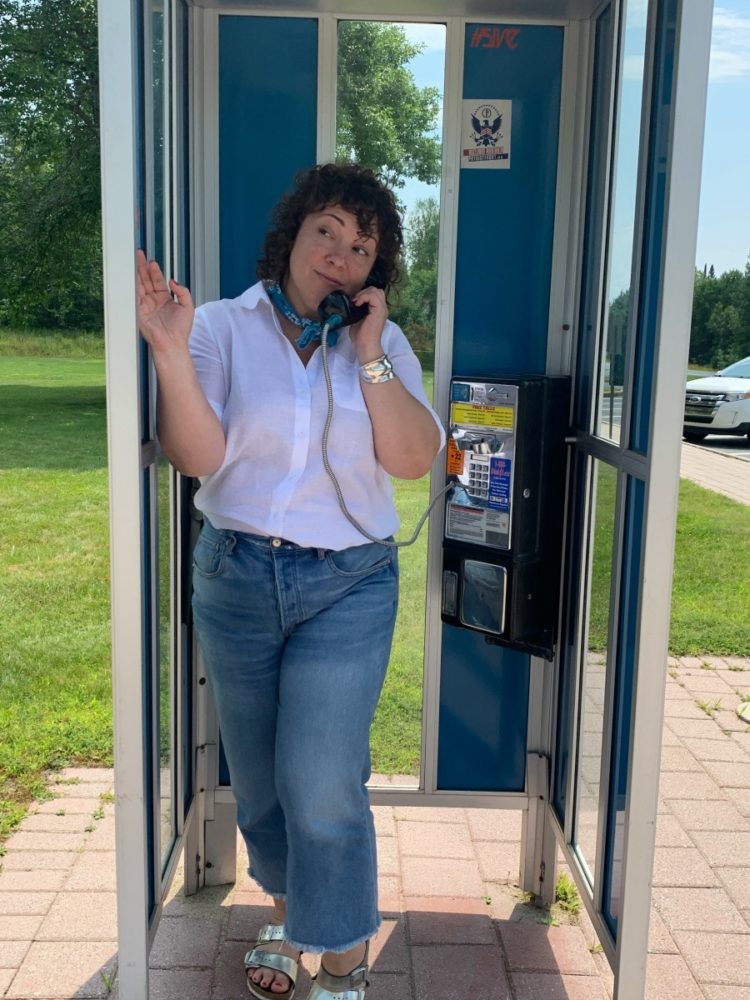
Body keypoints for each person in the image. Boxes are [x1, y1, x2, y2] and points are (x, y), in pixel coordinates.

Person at [135, 162, 444, 1000]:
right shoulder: (225, 327)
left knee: (319, 778)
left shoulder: (378, 341)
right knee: (264, 787)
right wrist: (169, 350)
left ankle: (341, 959)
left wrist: (371, 352)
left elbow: (414, 461)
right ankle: (288, 913)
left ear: (373, 270)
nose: (341, 256)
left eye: (361, 246)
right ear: (294, 236)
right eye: (328, 234)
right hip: (237, 577)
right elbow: (198, 457)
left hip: (347, 586)